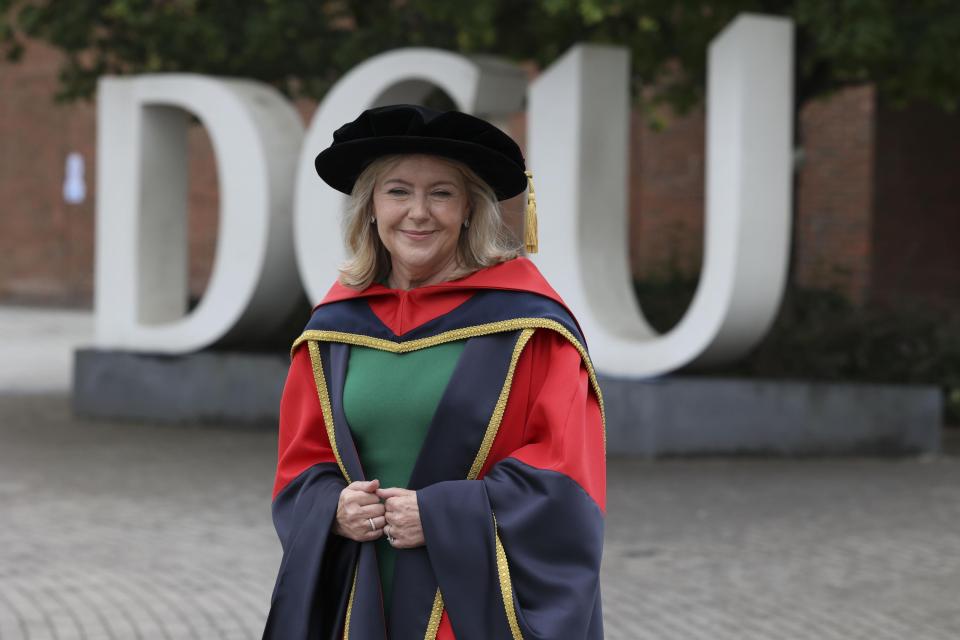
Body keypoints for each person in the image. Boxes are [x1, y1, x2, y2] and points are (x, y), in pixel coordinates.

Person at [262, 104, 606, 640]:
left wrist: (445, 517)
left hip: (468, 607)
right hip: (359, 595)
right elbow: (302, 465)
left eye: (441, 193)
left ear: (469, 209)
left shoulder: (529, 328)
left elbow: (566, 481)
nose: (418, 212)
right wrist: (332, 508)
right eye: (398, 191)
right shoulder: (334, 331)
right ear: (370, 208)